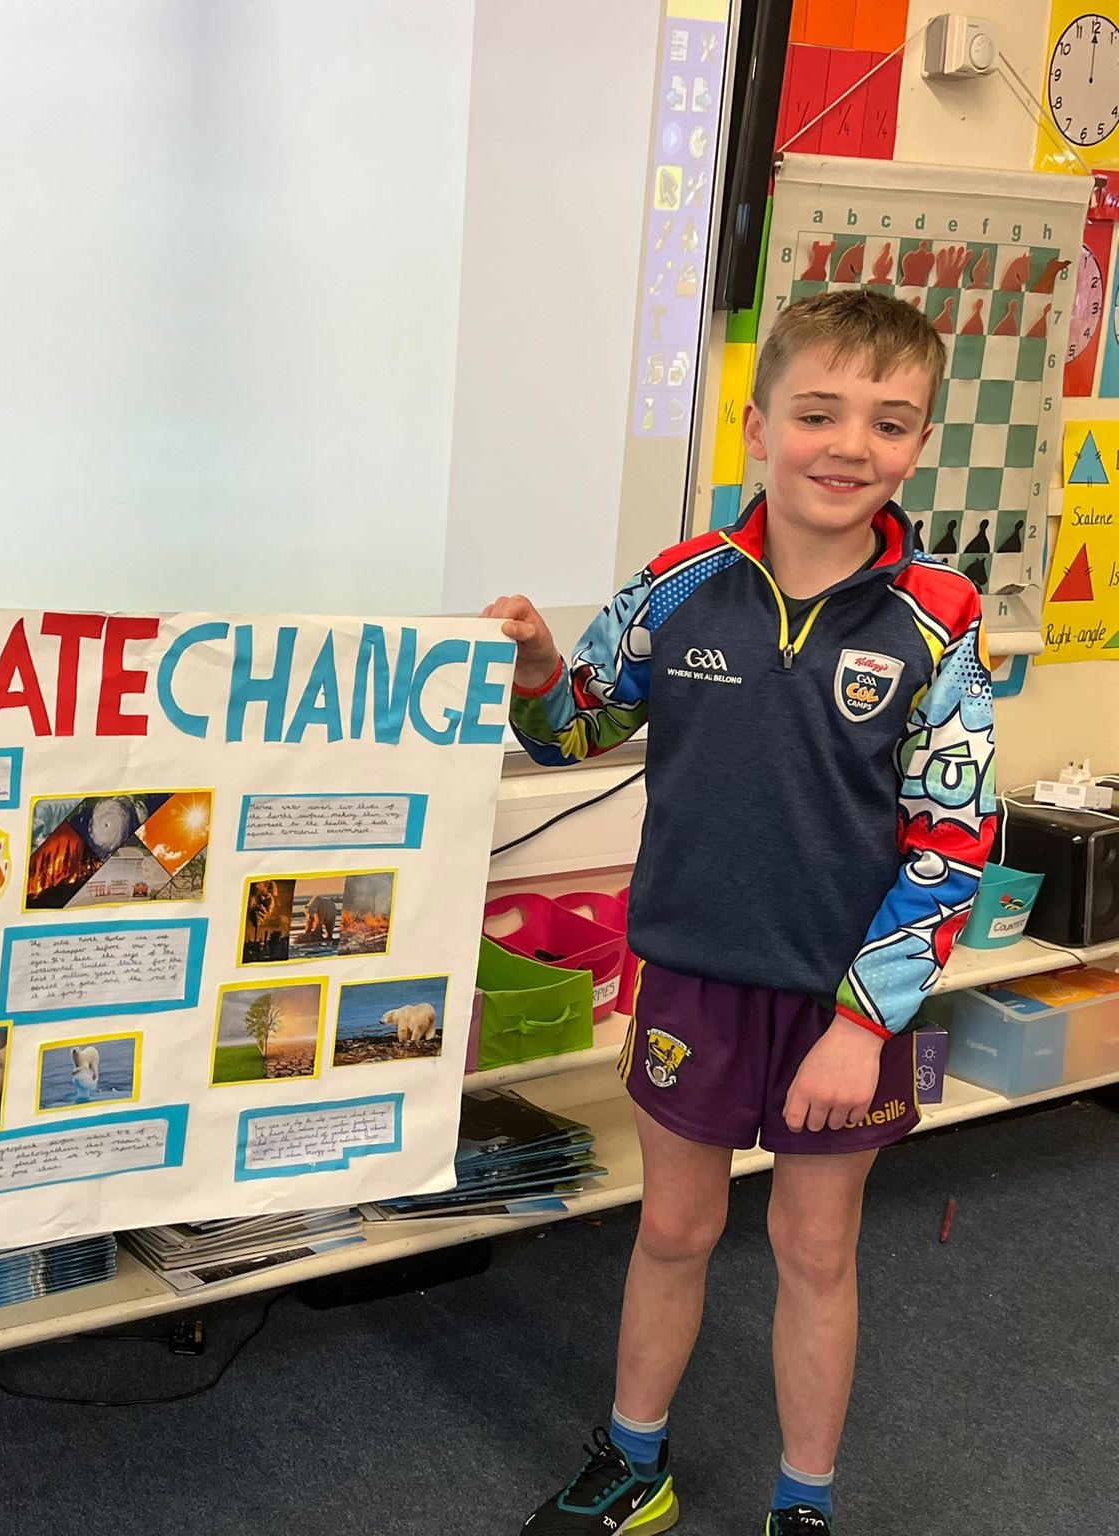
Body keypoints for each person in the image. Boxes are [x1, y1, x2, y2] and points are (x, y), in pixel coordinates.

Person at [486, 288, 997, 1536]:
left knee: (815, 1250)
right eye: (816, 413)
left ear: (917, 445)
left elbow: (952, 843)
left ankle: (801, 1502)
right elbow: (573, 732)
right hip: (691, 980)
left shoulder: (938, 618)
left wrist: (860, 1026)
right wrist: (543, 668)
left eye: (887, 422)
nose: (848, 445)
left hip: (838, 1005)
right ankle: (633, 1460)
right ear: (758, 426)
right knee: (673, 1228)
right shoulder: (676, 586)